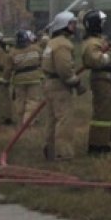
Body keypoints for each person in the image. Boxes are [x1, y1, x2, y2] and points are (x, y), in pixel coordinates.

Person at [41, 11, 85, 161]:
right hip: (60, 85)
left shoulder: (52, 43)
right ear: (64, 25)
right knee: (64, 120)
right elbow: (64, 70)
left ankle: (51, 150)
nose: (75, 26)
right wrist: (76, 82)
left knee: (52, 119)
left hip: (49, 84)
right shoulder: (63, 45)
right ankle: (64, 153)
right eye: (72, 23)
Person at [81, 9, 111, 155]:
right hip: (101, 81)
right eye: (102, 22)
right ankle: (96, 146)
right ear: (96, 24)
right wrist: (110, 53)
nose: (104, 25)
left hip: (108, 79)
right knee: (102, 114)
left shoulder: (98, 40)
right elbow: (96, 60)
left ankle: (106, 142)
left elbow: (106, 55)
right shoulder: (90, 43)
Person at [10, 30, 44, 126]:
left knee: (20, 100)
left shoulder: (12, 52)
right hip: (34, 77)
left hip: (19, 79)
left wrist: (6, 79)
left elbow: (8, 67)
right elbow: (43, 61)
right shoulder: (36, 48)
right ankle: (28, 121)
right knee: (33, 100)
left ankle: (20, 121)